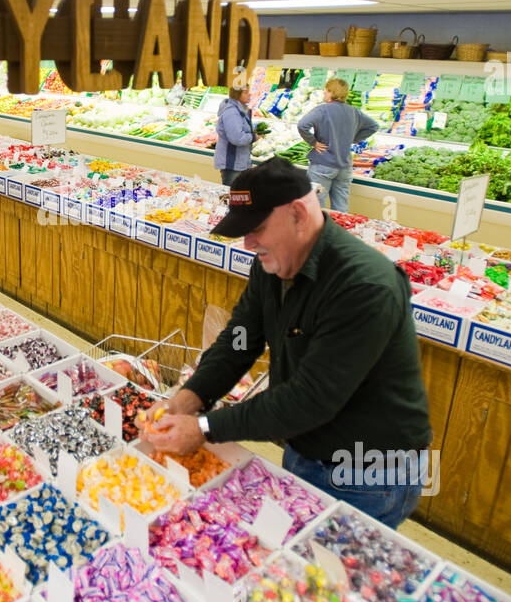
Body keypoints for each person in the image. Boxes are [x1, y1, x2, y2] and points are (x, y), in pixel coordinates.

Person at [141, 156, 432, 528]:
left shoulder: (364, 286)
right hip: (306, 448)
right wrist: (186, 400)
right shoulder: (273, 265)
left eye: (257, 228)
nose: (249, 244)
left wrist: (205, 429)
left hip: (367, 471)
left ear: (297, 213)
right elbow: (240, 341)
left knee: (330, 576)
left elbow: (310, 398)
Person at [295, 77, 378, 212]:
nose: (324, 94)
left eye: (326, 91)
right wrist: (354, 139)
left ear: (331, 92)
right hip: (344, 166)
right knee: (341, 207)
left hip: (323, 164)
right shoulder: (354, 111)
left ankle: (321, 232)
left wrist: (313, 142)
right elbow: (373, 126)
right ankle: (339, 230)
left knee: (316, 206)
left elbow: (302, 125)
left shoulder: (322, 110)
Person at [213, 72, 255, 187]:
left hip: (240, 161)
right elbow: (237, 138)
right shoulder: (232, 112)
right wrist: (254, 137)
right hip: (232, 163)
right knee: (232, 196)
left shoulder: (241, 110)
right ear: (237, 94)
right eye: (246, 92)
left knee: (240, 196)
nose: (249, 95)